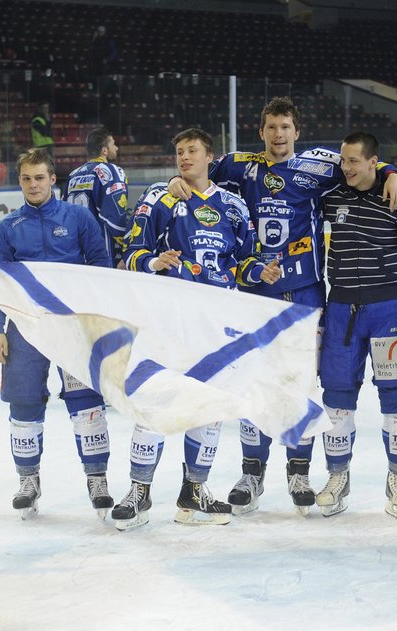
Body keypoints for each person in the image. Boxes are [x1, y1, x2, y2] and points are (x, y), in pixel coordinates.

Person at [167, 96, 397, 515]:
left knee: (300, 385)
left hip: (306, 293)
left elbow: (360, 162)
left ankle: (298, 471)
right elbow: (196, 167)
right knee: (254, 382)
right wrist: (173, 183)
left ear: (297, 132)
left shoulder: (318, 165)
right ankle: (252, 474)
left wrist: (390, 172)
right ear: (261, 132)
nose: (279, 135)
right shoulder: (239, 165)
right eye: (272, 127)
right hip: (256, 293)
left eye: (286, 128)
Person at [115, 128, 281, 529]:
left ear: (211, 157)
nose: (184, 158)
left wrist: (263, 271)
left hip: (216, 322)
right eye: (179, 152)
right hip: (168, 320)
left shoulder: (234, 205)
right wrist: (155, 262)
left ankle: (194, 493)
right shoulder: (159, 196)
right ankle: (139, 491)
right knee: (154, 402)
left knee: (209, 408)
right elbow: (130, 254)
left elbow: (242, 262)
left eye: (192, 151)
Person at [0, 148, 115, 520]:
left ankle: (98, 479)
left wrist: (99, 320)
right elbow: (0, 283)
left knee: (87, 405)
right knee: (24, 405)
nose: (33, 185)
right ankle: (28, 481)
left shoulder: (78, 218)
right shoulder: (9, 227)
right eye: (26, 178)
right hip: (26, 327)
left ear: (52, 179)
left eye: (39, 177)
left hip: (73, 327)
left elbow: (101, 267)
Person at [316, 131, 397, 519]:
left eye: (354, 161)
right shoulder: (332, 197)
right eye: (343, 161)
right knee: (336, 400)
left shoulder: (396, 200)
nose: (346, 168)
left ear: (373, 162)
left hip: (390, 312)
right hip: (342, 309)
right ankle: (338, 477)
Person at [64, 127, 129, 266]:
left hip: (76, 250)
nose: (116, 148)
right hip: (102, 253)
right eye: (113, 144)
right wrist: (129, 246)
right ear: (104, 150)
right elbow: (115, 217)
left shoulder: (73, 174)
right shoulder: (110, 170)